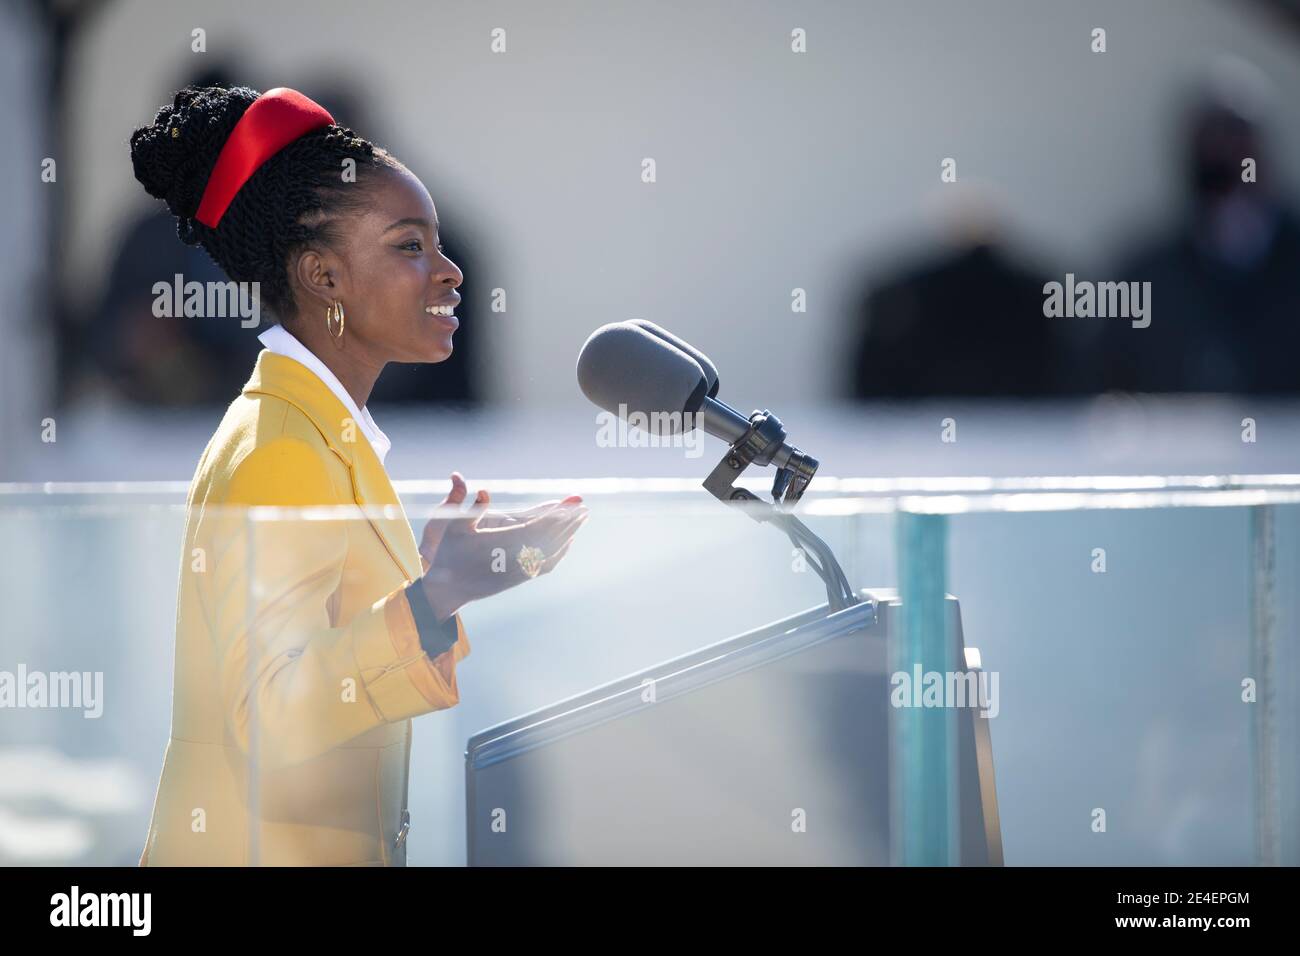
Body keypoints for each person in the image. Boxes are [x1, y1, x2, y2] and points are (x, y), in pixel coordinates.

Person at [129, 84, 589, 865]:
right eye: (409, 246)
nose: (449, 272)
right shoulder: (283, 450)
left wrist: (436, 585)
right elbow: (272, 713)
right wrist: (437, 595)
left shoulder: (318, 432)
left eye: (437, 244)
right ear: (323, 277)